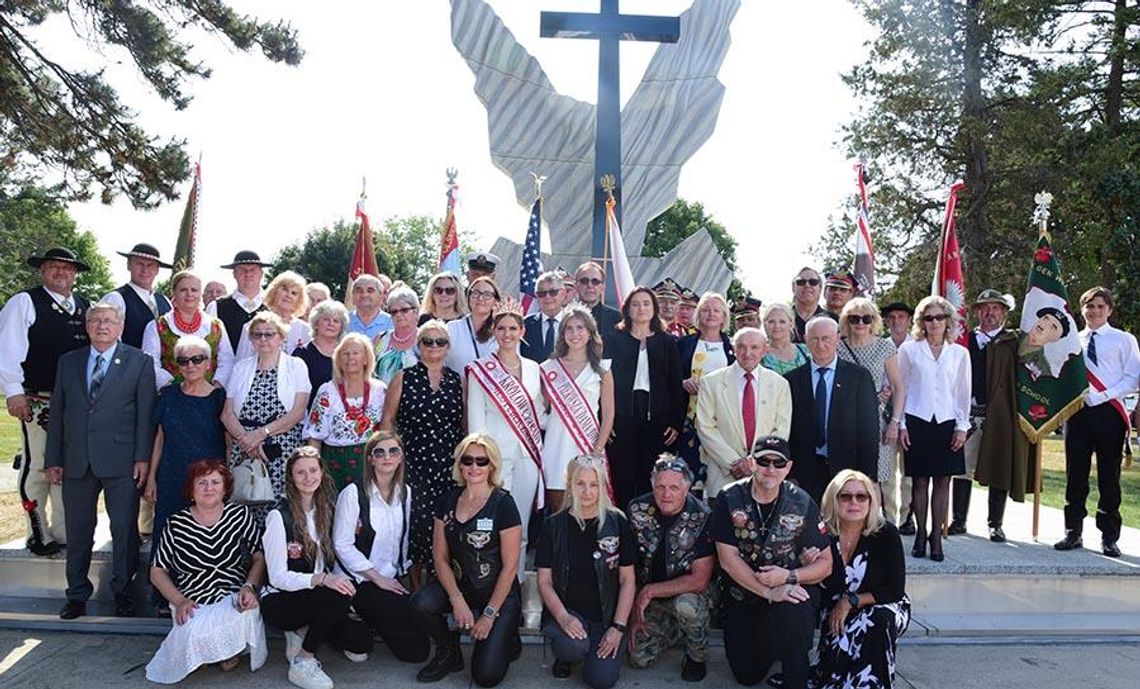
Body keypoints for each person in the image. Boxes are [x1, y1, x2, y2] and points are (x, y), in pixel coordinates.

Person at [46, 302, 157, 619]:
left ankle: (122, 593)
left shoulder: (139, 362)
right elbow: (58, 415)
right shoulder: (69, 362)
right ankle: (77, 594)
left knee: (124, 531)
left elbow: (145, 415)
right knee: (78, 531)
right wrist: (53, 458)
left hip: (122, 461)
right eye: (95, 320)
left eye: (108, 321)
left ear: (120, 326)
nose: (102, 326)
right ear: (87, 325)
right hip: (76, 460)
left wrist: (142, 458)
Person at [712, 435, 833, 689]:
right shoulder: (728, 498)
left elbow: (826, 563)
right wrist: (769, 591)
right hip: (744, 596)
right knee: (747, 676)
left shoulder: (801, 502)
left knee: (797, 601)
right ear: (751, 463)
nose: (770, 469)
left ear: (788, 467)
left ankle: (796, 679)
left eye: (778, 463)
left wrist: (789, 578)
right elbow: (728, 560)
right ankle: (777, 644)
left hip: (785, 592)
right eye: (763, 461)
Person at [409, 434, 523, 686]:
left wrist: (490, 614)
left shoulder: (504, 504)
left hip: (497, 592)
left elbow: (510, 568)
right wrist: (457, 599)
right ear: (459, 464)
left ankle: (508, 634)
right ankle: (449, 650)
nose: (474, 467)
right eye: (468, 460)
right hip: (462, 585)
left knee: (485, 676)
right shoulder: (448, 500)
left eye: (481, 461)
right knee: (420, 603)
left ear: (492, 465)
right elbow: (439, 558)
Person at [0, 247, 91, 556]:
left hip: (76, 404)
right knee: (37, 463)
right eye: (54, 267)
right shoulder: (25, 302)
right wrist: (13, 391)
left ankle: (63, 531)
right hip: (37, 399)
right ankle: (37, 530)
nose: (61, 272)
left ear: (75, 274)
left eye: (67, 268)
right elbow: (8, 349)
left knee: (67, 467)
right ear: (43, 270)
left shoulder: (85, 307)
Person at [261, 447, 372, 689]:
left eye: (313, 470)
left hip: (314, 595)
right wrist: (321, 580)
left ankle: (303, 631)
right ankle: (303, 660)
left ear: (322, 473)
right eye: (300, 472)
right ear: (291, 477)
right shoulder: (279, 517)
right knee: (338, 595)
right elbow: (277, 577)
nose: (308, 477)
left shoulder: (327, 510)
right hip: (281, 600)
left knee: (361, 643)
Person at [146, 460, 267, 682]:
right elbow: (157, 570)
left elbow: (259, 557)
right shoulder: (176, 524)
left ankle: (224, 651)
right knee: (191, 632)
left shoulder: (240, 516)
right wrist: (179, 600)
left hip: (233, 593)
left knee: (244, 612)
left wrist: (250, 587)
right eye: (201, 483)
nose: (209, 488)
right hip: (193, 599)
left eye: (215, 482)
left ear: (225, 488)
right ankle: (211, 651)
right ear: (191, 490)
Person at [1054, 287, 1140, 558]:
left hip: (1109, 413)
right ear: (1082, 310)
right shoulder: (1072, 340)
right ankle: (1073, 531)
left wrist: (1103, 395)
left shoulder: (1123, 339)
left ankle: (1109, 536)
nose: (1094, 311)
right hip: (1078, 414)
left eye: (1100, 307)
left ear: (1110, 310)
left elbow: (1132, 378)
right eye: (1089, 306)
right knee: (1075, 474)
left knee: (1109, 476)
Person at [536, 456, 636, 687]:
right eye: (580, 483)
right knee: (572, 647)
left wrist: (618, 628)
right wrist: (563, 618)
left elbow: (628, 580)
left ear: (603, 486)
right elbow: (544, 582)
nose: (587, 491)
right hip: (569, 612)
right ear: (570, 484)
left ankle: (597, 646)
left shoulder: (617, 522)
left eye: (594, 484)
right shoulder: (553, 525)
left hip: (607, 616)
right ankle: (567, 655)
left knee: (601, 680)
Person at [144, 336, 227, 613]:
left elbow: (227, 440)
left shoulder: (218, 398)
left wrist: (224, 481)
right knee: (166, 533)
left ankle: (201, 593)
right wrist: (152, 477)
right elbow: (159, 437)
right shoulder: (168, 395)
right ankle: (164, 598)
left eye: (197, 359)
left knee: (202, 535)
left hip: (207, 481)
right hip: (171, 475)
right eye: (183, 360)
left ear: (208, 363)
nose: (190, 365)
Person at [332, 431, 430, 663]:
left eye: (393, 451)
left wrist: (400, 574)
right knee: (406, 644)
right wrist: (376, 578)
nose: (387, 457)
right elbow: (341, 544)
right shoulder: (353, 493)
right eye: (380, 452)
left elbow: (402, 540)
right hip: (357, 581)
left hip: (388, 578)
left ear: (401, 457)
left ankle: (371, 619)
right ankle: (347, 619)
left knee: (416, 652)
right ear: (370, 459)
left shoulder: (405, 493)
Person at [381, 320, 465, 583]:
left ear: (448, 347)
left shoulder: (457, 380)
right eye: (428, 341)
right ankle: (416, 588)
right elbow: (387, 422)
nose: (434, 346)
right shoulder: (403, 378)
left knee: (445, 523)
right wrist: (392, 459)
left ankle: (440, 586)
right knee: (416, 523)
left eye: (440, 341)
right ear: (418, 346)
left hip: (447, 465)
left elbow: (464, 425)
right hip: (413, 464)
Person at [466, 301, 545, 573]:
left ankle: (517, 583)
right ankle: (488, 580)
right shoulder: (481, 369)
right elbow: (476, 419)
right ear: (494, 331)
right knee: (493, 521)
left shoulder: (535, 368)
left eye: (513, 328)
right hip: (495, 456)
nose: (507, 334)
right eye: (501, 328)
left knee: (519, 523)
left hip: (528, 454)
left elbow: (538, 413)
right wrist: (481, 459)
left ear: (522, 330)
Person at [813, 470, 910, 689]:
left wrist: (851, 601)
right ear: (833, 500)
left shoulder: (886, 534)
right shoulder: (821, 535)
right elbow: (821, 588)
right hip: (837, 607)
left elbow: (895, 590)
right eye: (845, 496)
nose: (854, 502)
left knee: (877, 619)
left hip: (883, 602)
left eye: (861, 496)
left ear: (871, 501)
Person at [626, 457, 715, 682]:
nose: (666, 494)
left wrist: (649, 591)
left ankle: (696, 655)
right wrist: (632, 612)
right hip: (652, 600)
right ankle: (677, 631)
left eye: (674, 487)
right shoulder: (637, 510)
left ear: (686, 489)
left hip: (690, 595)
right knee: (638, 657)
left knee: (687, 606)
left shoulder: (703, 516)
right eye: (660, 487)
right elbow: (628, 567)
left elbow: (700, 580)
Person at [897, 296, 971, 562]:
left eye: (940, 317)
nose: (935, 322)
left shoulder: (960, 353)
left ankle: (936, 537)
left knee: (943, 481)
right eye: (929, 318)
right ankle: (919, 533)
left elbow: (963, 393)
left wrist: (962, 427)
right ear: (921, 322)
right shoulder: (909, 350)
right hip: (917, 420)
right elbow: (901, 389)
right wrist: (901, 424)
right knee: (919, 481)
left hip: (947, 422)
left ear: (948, 320)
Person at [222, 311, 312, 526]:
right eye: (257, 334)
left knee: (280, 512)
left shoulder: (296, 365)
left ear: (281, 337)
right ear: (251, 339)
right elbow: (227, 414)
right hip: (244, 449)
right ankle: (250, 558)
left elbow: (298, 411)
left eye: (269, 334)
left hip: (281, 449)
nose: (263, 339)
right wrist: (248, 440)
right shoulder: (241, 367)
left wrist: (261, 434)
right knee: (244, 508)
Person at [786, 317, 881, 504]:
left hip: (847, 470)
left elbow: (869, 429)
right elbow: (788, 430)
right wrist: (791, 473)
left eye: (826, 338)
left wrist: (867, 476)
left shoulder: (858, 377)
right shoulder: (792, 380)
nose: (820, 345)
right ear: (805, 340)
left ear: (838, 338)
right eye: (814, 339)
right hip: (805, 471)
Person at [607, 287, 685, 508]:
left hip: (656, 419)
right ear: (627, 309)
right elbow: (604, 382)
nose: (641, 308)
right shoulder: (614, 340)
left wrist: (675, 422)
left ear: (654, 309)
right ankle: (622, 527)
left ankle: (647, 527)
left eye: (646, 303)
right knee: (622, 476)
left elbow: (675, 384)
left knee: (649, 476)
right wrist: (607, 420)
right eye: (636, 304)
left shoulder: (666, 342)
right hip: (622, 417)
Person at [695, 327, 790, 503]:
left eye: (754, 347)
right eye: (742, 347)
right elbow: (705, 427)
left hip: (765, 476)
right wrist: (734, 463)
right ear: (733, 348)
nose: (748, 353)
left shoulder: (779, 384)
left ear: (764, 350)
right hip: (723, 475)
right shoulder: (711, 382)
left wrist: (755, 462)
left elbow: (781, 429)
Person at [951, 289, 1016, 538]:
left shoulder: (1012, 343)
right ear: (977, 311)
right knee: (962, 467)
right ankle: (958, 520)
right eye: (985, 308)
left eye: (996, 308)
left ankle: (995, 523)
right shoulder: (964, 341)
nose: (990, 313)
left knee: (998, 467)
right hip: (969, 414)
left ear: (1003, 312)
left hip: (1000, 415)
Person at [540, 305, 615, 512]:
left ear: (590, 333)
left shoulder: (602, 368)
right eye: (569, 328)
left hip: (588, 445)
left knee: (589, 506)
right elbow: (543, 409)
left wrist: (597, 451)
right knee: (558, 510)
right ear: (562, 334)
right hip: (556, 445)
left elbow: (608, 414)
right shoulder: (549, 368)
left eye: (580, 328)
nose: (575, 334)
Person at [837, 299, 905, 496]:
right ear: (845, 321)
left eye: (866, 319)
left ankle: (874, 525)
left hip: (875, 419)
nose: (860, 323)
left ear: (874, 321)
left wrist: (894, 422)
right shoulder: (837, 348)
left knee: (874, 479)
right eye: (854, 318)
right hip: (844, 419)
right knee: (845, 477)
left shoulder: (885, 347)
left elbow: (898, 386)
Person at [303, 333, 385, 491]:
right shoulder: (327, 390)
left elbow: (388, 428)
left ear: (366, 359)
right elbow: (314, 436)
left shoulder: (380, 390)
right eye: (345, 353)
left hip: (370, 462)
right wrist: (314, 469)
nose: (350, 358)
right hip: (335, 463)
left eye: (355, 353)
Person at [677, 292, 736, 483]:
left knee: (718, 473)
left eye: (716, 310)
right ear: (698, 314)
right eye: (706, 310)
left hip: (721, 417)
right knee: (690, 471)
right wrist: (683, 382)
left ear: (724, 316)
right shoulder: (683, 344)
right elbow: (670, 376)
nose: (711, 314)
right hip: (689, 418)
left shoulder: (734, 347)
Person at [142, 269, 235, 389]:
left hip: (211, 395)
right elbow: (150, 362)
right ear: (174, 293)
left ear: (200, 294)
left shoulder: (216, 325)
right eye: (183, 290)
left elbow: (227, 360)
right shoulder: (157, 326)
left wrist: (216, 387)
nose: (189, 294)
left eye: (194, 290)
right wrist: (170, 387)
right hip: (170, 395)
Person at [879, 302, 915, 533]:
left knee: (909, 474)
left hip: (912, 416)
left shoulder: (917, 347)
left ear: (909, 320)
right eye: (892, 317)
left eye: (901, 316)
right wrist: (882, 392)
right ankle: (890, 519)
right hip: (887, 415)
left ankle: (907, 517)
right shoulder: (880, 346)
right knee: (887, 472)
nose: (897, 321)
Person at [101, 242, 173, 349]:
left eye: (150, 265)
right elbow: (107, 342)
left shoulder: (165, 301)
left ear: (157, 270)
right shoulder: (116, 299)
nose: (145, 270)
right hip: (129, 364)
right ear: (129, 265)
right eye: (139, 264)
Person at [235, 270, 311, 360]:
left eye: (294, 293)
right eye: (285, 289)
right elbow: (241, 362)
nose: (288, 295)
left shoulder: (306, 330)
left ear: (299, 300)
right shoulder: (252, 325)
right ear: (274, 292)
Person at [207, 250, 271, 353]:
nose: (248, 274)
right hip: (228, 369)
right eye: (242, 270)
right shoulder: (216, 307)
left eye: (253, 270)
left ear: (261, 273)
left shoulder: (274, 306)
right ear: (234, 274)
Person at [445, 276, 500, 374]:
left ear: (496, 301)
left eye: (487, 295)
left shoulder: (502, 330)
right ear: (468, 297)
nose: (480, 298)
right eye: (476, 293)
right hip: (459, 387)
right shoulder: (452, 328)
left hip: (492, 388)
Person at [293, 299, 349, 393]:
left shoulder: (347, 353)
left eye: (336, 321)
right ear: (316, 324)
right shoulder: (302, 353)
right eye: (326, 319)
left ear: (341, 328)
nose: (331, 324)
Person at [373, 283, 421, 384]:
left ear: (415, 311)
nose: (399, 314)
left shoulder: (425, 339)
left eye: (404, 310)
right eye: (394, 311)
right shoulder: (380, 339)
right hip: (382, 398)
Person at [574, 262, 622, 354]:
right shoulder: (564, 316)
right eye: (584, 281)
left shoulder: (617, 319)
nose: (590, 285)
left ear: (603, 287)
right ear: (576, 285)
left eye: (595, 281)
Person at [522, 271, 568, 362]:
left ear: (563, 293)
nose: (547, 297)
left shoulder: (574, 323)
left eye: (553, 292)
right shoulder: (525, 324)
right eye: (541, 293)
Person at [760, 303, 810, 375]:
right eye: (771, 322)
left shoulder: (805, 351)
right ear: (765, 325)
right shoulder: (759, 353)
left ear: (791, 324)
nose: (777, 326)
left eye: (782, 322)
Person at [346, 274, 393, 340]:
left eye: (370, 291)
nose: (364, 295)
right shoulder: (343, 321)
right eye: (359, 291)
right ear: (352, 297)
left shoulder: (392, 323)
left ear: (381, 296)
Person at [791, 267, 826, 343]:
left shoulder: (833, 320)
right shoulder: (782, 319)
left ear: (820, 289)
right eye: (801, 282)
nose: (807, 285)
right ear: (793, 288)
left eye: (813, 282)